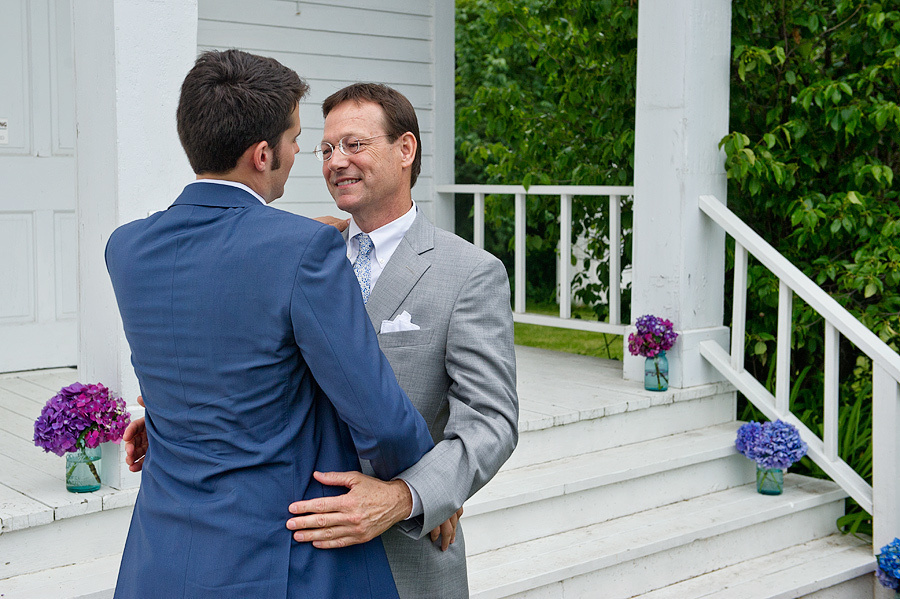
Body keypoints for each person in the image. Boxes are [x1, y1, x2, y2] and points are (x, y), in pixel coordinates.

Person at [125, 83, 520, 598]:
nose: (337, 161)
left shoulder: (468, 272)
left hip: (402, 550)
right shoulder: (299, 250)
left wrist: (412, 496)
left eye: (355, 145)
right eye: (327, 148)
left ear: (405, 149)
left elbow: (492, 418)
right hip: (288, 549)